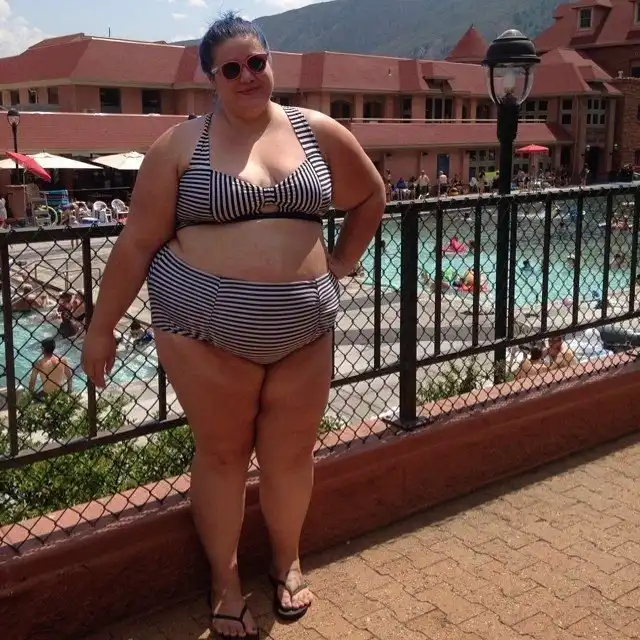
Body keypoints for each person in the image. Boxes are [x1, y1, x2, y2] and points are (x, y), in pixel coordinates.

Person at [81, 12, 385, 640]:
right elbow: (137, 243)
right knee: (222, 455)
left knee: (291, 455)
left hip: (306, 326)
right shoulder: (179, 146)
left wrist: (342, 262)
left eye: (256, 62)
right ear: (211, 79)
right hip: (203, 328)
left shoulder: (317, 131)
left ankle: (286, 560)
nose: (247, 75)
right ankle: (224, 582)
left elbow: (370, 194)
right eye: (231, 68)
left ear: (270, 63)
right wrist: (101, 327)